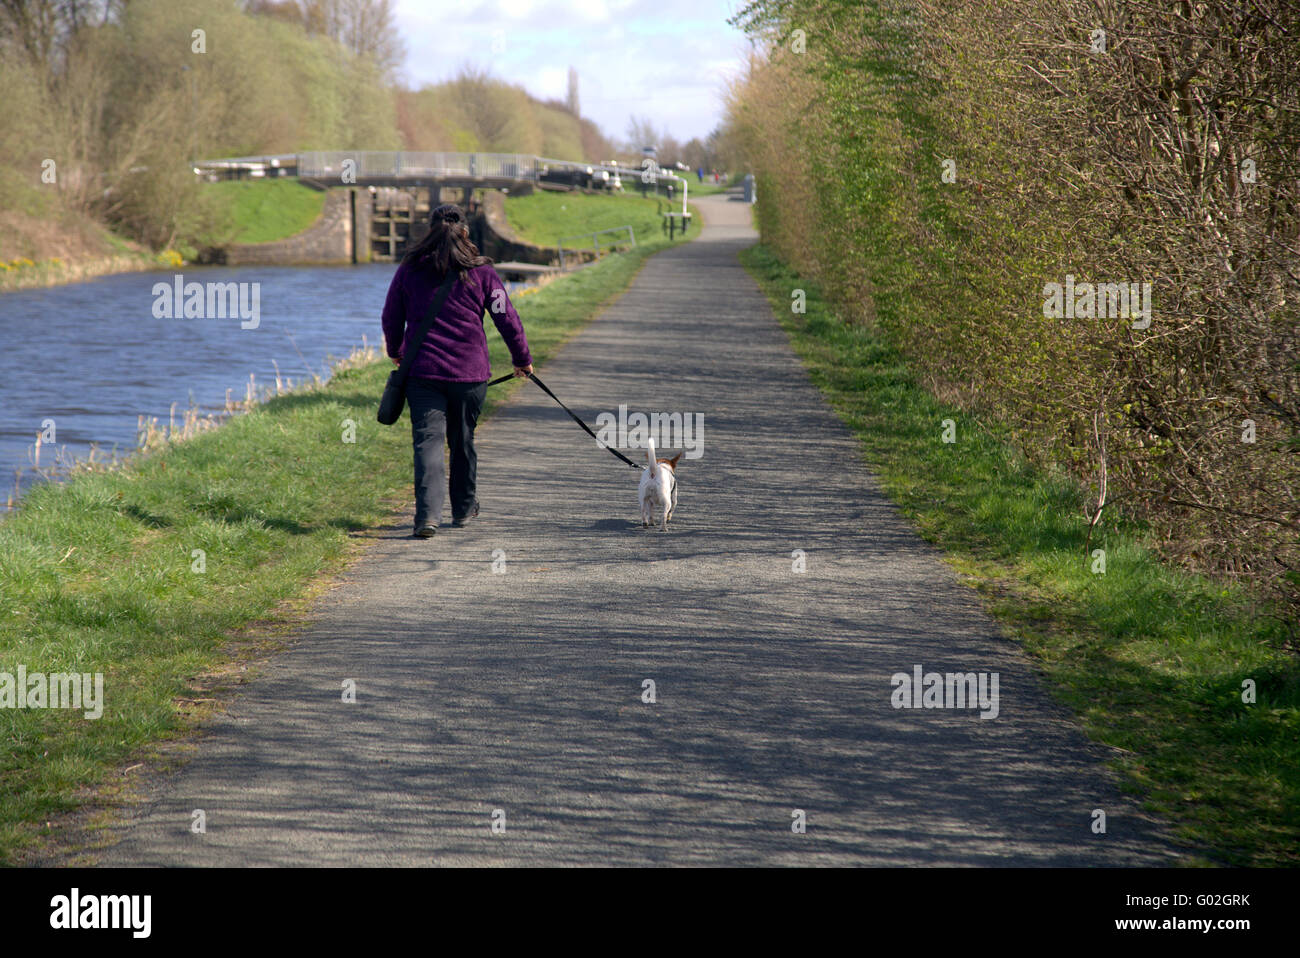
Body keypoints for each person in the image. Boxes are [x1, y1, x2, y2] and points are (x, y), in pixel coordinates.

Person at [381, 204, 532, 538]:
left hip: (423, 372)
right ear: (465, 232)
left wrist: (397, 352)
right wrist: (521, 358)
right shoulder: (483, 272)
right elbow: (505, 316)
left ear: (429, 231)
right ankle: (463, 510)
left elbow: (391, 316)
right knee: (462, 440)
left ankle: (427, 518)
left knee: (427, 443)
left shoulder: (409, 269)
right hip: (470, 374)